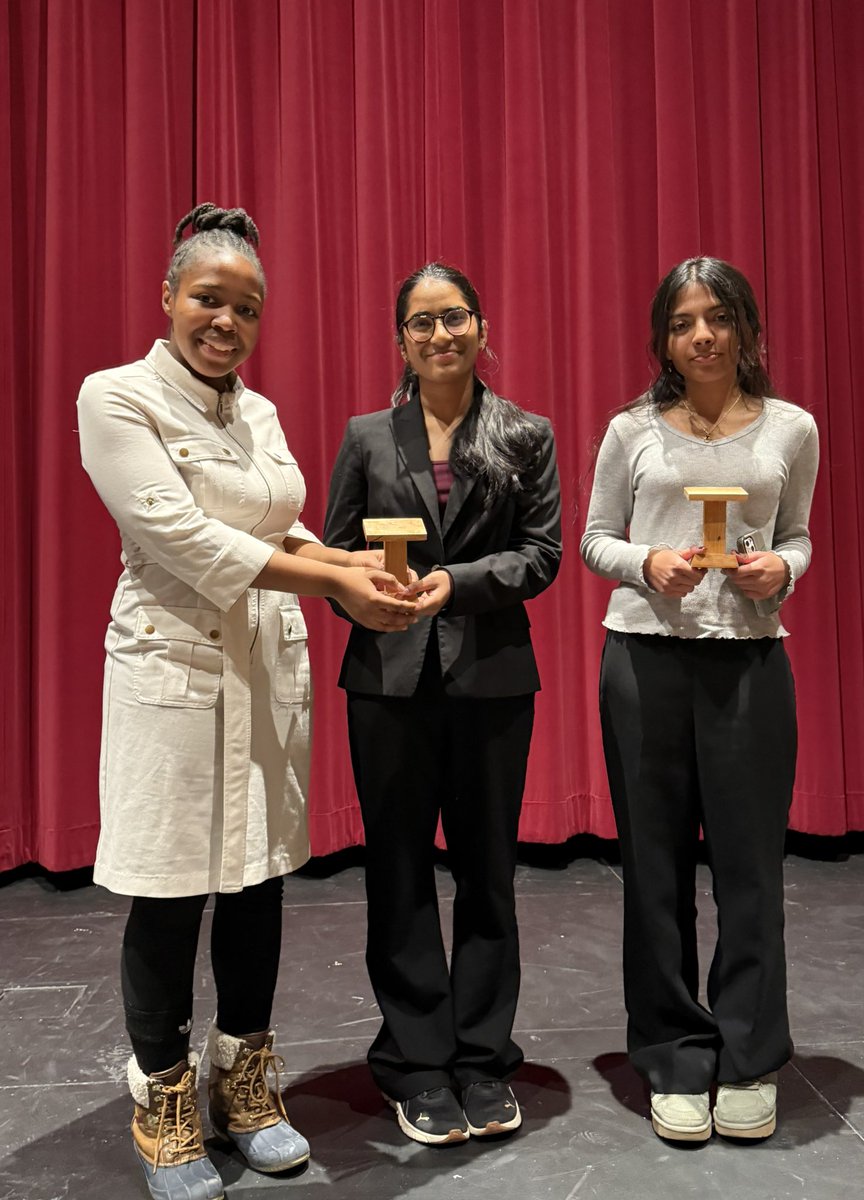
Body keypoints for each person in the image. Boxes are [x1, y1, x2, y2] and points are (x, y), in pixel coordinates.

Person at [77, 203, 417, 1200]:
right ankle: (165, 1100)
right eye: (208, 300)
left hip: (265, 665)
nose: (225, 322)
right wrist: (331, 583)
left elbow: (279, 518)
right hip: (171, 667)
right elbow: (181, 535)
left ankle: (247, 1083)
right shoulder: (118, 397)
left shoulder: (257, 412)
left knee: (259, 878)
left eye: (246, 308)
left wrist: (345, 561)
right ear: (169, 298)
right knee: (173, 886)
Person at [580, 256, 818, 1143]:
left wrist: (780, 570)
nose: (702, 335)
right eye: (683, 322)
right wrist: (646, 563)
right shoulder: (630, 430)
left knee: (753, 868)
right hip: (644, 663)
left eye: (717, 318)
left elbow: (796, 536)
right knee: (654, 867)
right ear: (665, 340)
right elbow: (596, 537)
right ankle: (675, 1055)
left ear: (746, 328)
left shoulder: (792, 428)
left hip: (751, 664)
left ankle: (749, 1055)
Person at [323, 262, 562, 1145]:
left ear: (481, 327)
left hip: (492, 683)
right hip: (385, 683)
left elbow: (542, 555)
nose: (439, 336)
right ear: (401, 342)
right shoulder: (365, 437)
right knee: (398, 873)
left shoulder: (525, 433)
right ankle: (416, 1063)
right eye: (420, 324)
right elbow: (334, 556)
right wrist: (366, 594)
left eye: (453, 318)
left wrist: (450, 584)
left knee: (489, 874)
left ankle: (481, 1057)